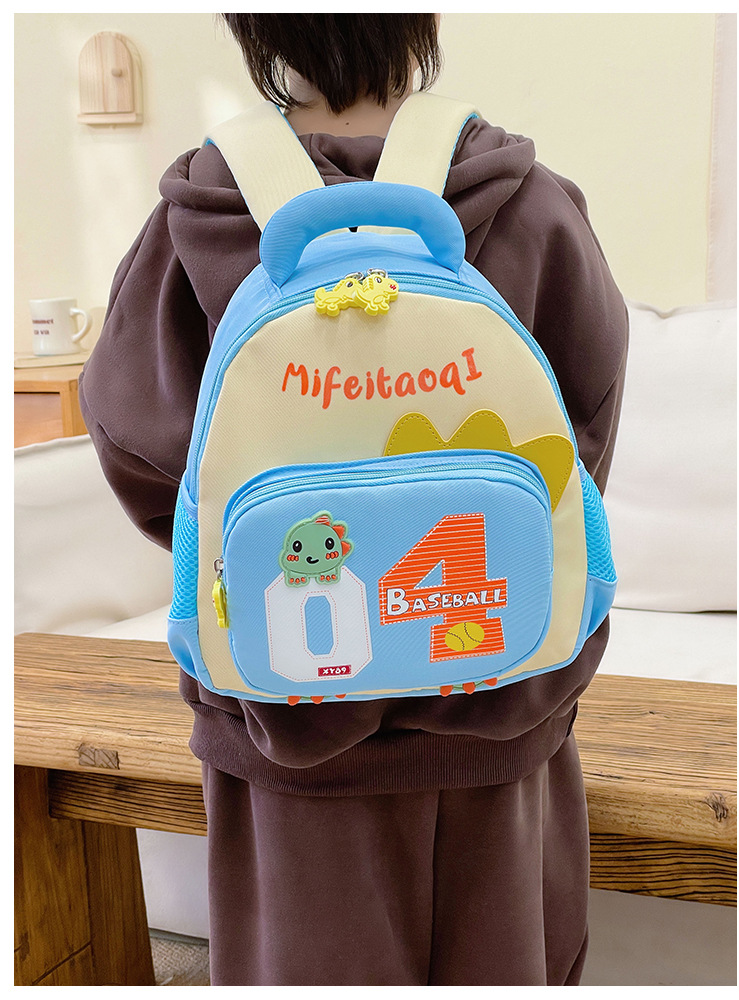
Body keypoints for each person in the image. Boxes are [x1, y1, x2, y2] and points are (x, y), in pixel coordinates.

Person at [79, 13, 628, 986]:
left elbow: (143, 453)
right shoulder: (528, 198)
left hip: (287, 719)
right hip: (504, 692)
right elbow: (577, 439)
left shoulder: (198, 217)